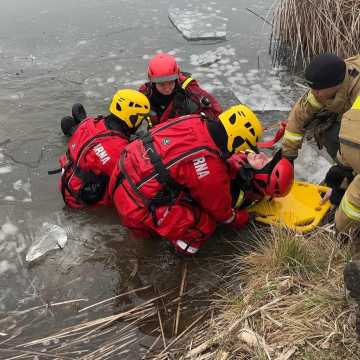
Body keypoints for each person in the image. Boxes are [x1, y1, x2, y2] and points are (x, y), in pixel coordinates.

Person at [108, 104, 263, 255]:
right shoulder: (209, 165)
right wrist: (242, 218)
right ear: (236, 138)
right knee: (205, 223)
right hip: (135, 206)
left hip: (121, 173)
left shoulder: (195, 120)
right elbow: (222, 212)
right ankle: (182, 253)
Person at [55, 89, 150, 209]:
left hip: (67, 181)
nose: (141, 123)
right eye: (141, 119)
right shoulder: (119, 155)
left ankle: (72, 128)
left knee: (85, 133)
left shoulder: (90, 122)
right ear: (133, 118)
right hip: (79, 200)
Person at [281, 53, 360, 162]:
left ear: (336, 85)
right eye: (312, 88)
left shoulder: (357, 91)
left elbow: (356, 136)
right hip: (347, 107)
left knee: (336, 137)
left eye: (318, 90)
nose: (314, 93)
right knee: (322, 128)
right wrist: (288, 156)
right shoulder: (321, 88)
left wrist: (343, 166)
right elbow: (299, 116)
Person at [139, 52, 222, 125]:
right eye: (162, 84)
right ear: (153, 82)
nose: (167, 88)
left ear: (177, 78)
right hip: (156, 136)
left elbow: (215, 112)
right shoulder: (145, 94)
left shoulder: (189, 90)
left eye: (171, 83)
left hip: (184, 134)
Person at [228, 149, 294, 210]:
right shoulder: (250, 158)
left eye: (262, 162)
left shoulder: (231, 194)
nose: (262, 154)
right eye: (268, 157)